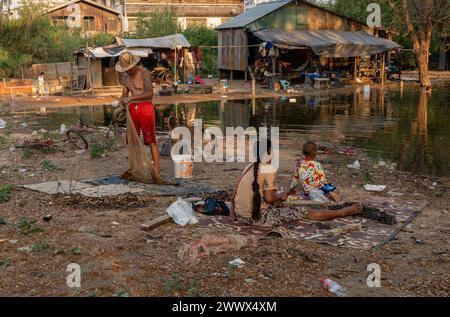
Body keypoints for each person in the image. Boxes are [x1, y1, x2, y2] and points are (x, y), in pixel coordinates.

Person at [230, 139, 361, 227]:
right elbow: (269, 198)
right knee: (306, 212)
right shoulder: (268, 169)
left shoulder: (248, 166)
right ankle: (343, 212)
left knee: (281, 205)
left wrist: (234, 215)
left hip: (241, 216)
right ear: (268, 152)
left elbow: (234, 195)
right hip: (257, 218)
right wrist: (281, 196)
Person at [115, 51, 161, 177]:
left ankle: (156, 170)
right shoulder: (125, 77)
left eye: (130, 68)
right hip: (132, 110)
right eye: (126, 69)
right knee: (133, 141)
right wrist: (120, 104)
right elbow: (124, 94)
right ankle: (137, 168)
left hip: (146, 108)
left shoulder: (144, 73)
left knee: (150, 140)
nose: (128, 71)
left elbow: (149, 93)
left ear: (135, 64)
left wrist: (130, 99)